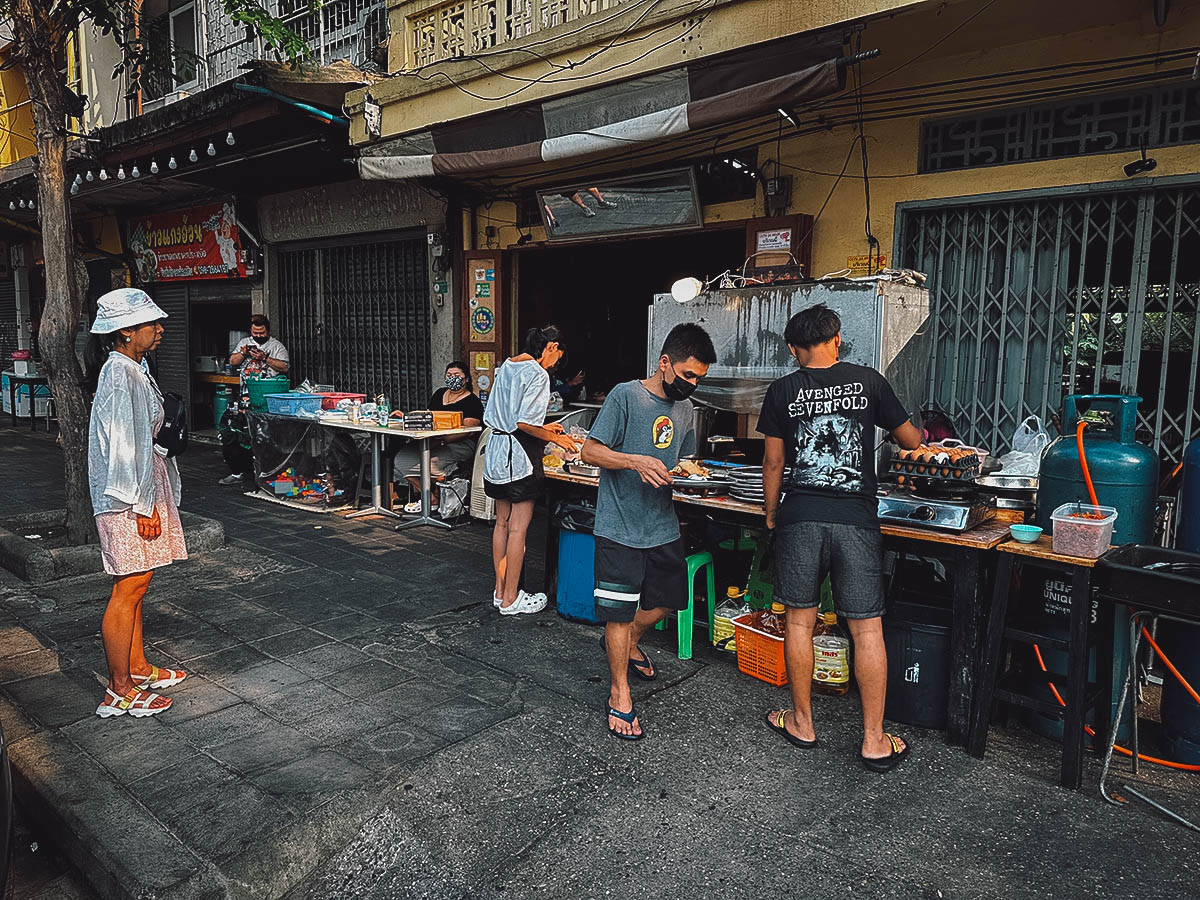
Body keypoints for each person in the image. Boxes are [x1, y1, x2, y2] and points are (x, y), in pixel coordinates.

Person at [756, 303, 923, 771]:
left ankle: (802, 724)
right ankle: (873, 739)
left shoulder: (782, 390)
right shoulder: (868, 380)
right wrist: (920, 432)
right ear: (837, 338)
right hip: (856, 519)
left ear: (793, 349)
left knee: (799, 624)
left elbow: (773, 464)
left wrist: (772, 514)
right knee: (866, 629)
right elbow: (910, 440)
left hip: (801, 516)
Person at [582, 323, 716, 741]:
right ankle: (619, 693)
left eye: (699, 379)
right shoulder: (626, 396)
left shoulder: (686, 408)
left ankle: (629, 642)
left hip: (662, 524)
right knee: (618, 613)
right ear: (664, 363)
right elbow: (590, 451)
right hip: (620, 525)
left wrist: (695, 478)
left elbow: (686, 459)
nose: (691, 385)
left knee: (669, 601)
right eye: (688, 375)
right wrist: (635, 461)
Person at [86, 288, 190, 719]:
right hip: (126, 494)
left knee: (139, 583)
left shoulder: (133, 367)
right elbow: (126, 445)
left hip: (138, 486)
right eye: (151, 324)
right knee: (129, 586)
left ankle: (138, 666)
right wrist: (143, 506)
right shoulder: (120, 373)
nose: (159, 329)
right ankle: (120, 688)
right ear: (126, 331)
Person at [484, 326, 578, 616]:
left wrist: (545, 427)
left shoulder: (507, 365)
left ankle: (500, 592)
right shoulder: (537, 374)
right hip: (519, 456)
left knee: (501, 523)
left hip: (496, 449)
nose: (556, 363)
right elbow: (524, 423)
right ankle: (512, 598)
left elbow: (510, 416)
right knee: (518, 529)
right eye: (558, 356)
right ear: (551, 346)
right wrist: (556, 438)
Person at [392, 361, 484, 512]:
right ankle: (429, 495)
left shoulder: (472, 402)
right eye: (449, 375)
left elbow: (468, 430)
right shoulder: (440, 393)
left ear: (466, 378)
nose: (452, 378)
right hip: (432, 440)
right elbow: (427, 417)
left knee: (425, 462)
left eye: (457, 375)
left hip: (458, 445)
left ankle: (435, 493)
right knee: (401, 460)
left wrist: (442, 440)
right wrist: (408, 417)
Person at [220, 314, 289, 485]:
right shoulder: (244, 343)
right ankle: (237, 471)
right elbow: (232, 361)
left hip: (266, 401)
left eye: (261, 332)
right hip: (243, 397)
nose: (258, 335)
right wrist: (244, 353)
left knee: (265, 438)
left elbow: (285, 367)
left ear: (267, 331)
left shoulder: (276, 346)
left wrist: (264, 358)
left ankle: (267, 473)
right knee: (232, 433)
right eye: (255, 332)